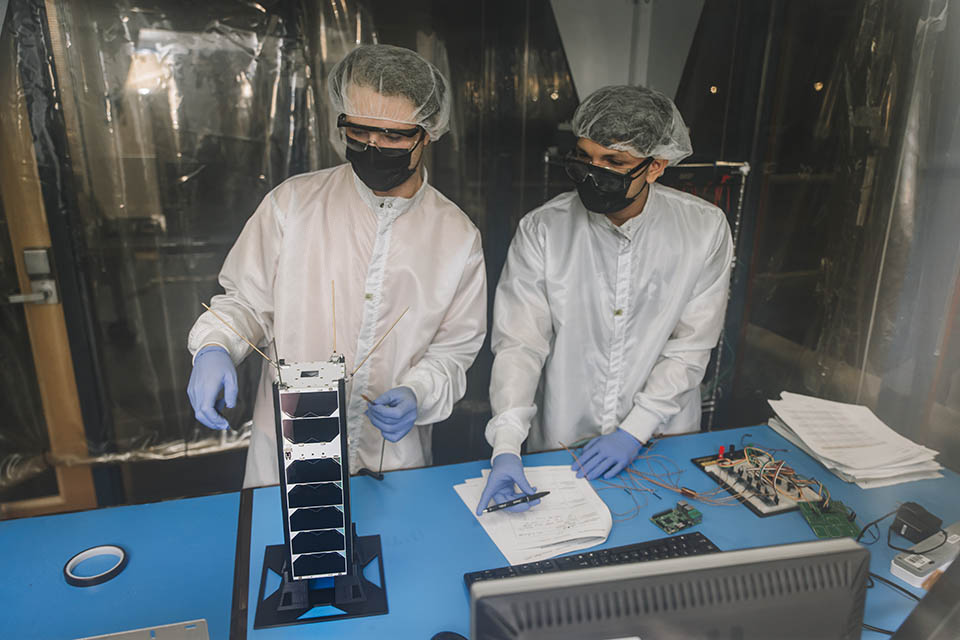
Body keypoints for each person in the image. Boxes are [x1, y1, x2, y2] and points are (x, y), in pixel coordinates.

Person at [187, 44, 486, 488]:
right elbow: (246, 302)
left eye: (394, 136)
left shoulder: (457, 238)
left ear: (428, 133)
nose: (373, 146)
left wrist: (419, 391)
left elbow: (453, 350)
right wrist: (214, 346)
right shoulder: (293, 205)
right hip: (289, 448)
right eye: (360, 131)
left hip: (390, 456)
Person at [476, 85, 733, 514]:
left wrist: (635, 430)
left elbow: (691, 346)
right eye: (584, 157)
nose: (594, 172)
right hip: (562, 441)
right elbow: (520, 344)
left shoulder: (703, 230)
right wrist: (506, 443)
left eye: (615, 162)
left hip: (661, 439)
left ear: (657, 166)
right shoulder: (544, 229)